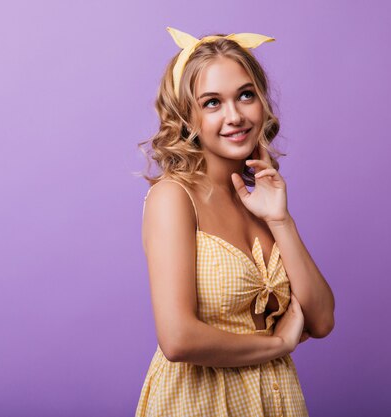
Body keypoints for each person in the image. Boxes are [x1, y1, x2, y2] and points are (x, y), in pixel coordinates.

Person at [135, 26, 335, 416]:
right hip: (199, 401)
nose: (235, 116)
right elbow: (177, 338)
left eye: (245, 95)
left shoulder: (259, 200)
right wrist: (277, 346)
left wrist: (280, 219)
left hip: (274, 397)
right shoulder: (174, 198)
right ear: (187, 118)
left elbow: (322, 319)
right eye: (212, 103)